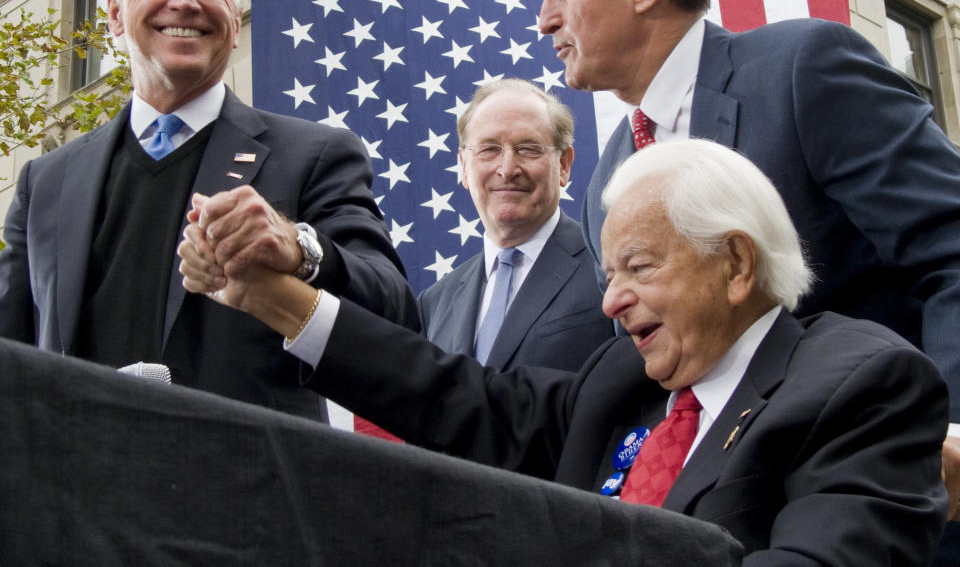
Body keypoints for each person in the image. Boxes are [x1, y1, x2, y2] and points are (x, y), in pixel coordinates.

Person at [178, 138, 948, 564]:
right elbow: (456, 395)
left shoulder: (859, 386)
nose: (611, 301)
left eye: (639, 269)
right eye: (609, 275)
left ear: (737, 264)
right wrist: (272, 299)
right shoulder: (620, 383)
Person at [532, 0, 960, 548]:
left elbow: (951, 243)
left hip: (878, 508)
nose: (545, 19)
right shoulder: (604, 187)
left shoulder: (803, 69)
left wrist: (949, 428)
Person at [0, 0, 417, 420]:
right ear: (113, 14)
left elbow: (395, 313)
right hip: (77, 485)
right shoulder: (46, 182)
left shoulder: (316, 154)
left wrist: (300, 250)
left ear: (236, 23)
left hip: (248, 487)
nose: (185, 2)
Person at [418, 79, 612, 371]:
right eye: (489, 149)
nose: (507, 169)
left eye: (528, 149)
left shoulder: (608, 267)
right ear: (463, 167)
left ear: (564, 165)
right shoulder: (435, 302)